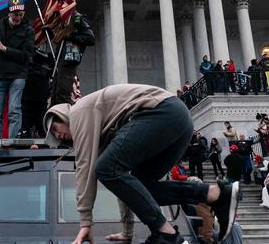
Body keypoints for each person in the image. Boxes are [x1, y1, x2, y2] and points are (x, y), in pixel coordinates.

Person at [43, 84, 240, 243]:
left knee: (104, 168)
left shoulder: (78, 112)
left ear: (61, 115)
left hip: (162, 112)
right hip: (178, 120)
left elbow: (85, 169)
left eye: (55, 129)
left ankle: (166, 233)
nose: (58, 136)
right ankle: (215, 193)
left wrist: (85, 222)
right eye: (55, 137)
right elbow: (125, 185)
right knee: (141, 187)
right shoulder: (103, 130)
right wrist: (127, 231)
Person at [0, 0, 35, 149]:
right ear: (9, 13)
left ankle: (13, 145)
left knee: (14, 110)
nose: (18, 17)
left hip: (17, 75)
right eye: (15, 14)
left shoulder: (28, 31)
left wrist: (4, 48)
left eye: (21, 14)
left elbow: (26, 56)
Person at [50, 11, 95, 105]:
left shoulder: (76, 18)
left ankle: (65, 118)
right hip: (59, 62)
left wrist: (72, 36)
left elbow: (90, 38)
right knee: (55, 95)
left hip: (69, 62)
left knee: (63, 96)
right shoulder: (63, 20)